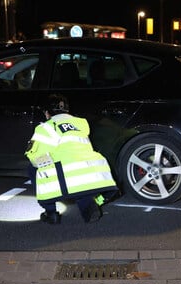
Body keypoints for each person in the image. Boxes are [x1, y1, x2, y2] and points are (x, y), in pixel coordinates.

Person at [25, 93, 118, 224]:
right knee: (81, 189)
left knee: (33, 168)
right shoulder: (81, 123)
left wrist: (47, 163)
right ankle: (90, 207)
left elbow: (35, 156)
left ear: (47, 113)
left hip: (68, 177)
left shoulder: (45, 127)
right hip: (92, 173)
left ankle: (51, 212)